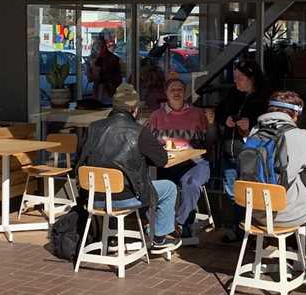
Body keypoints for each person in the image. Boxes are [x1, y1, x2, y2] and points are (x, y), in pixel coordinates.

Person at [248, 91, 306, 295]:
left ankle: (289, 257)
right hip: (284, 212)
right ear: (295, 114)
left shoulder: (255, 131)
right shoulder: (301, 136)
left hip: (254, 212)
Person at [76, 83, 182, 254]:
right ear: (134, 109)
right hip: (126, 197)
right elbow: (162, 160)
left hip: (93, 196)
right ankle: (159, 238)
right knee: (169, 188)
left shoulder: (93, 128)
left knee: (115, 184)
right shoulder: (139, 131)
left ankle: (112, 237)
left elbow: (80, 161)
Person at [147, 74, 214, 237]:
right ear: (166, 93)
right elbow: (147, 140)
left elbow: (211, 142)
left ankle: (179, 223)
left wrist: (211, 124)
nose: (176, 93)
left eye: (180, 90)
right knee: (149, 185)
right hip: (167, 164)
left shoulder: (197, 114)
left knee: (191, 184)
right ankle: (158, 225)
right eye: (172, 90)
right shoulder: (157, 115)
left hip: (194, 163)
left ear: (185, 93)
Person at [216, 58, 269, 241]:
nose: (236, 81)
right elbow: (219, 113)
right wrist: (226, 120)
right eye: (235, 77)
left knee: (251, 192)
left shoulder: (263, 100)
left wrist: (251, 124)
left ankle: (253, 230)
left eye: (240, 78)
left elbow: (268, 128)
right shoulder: (232, 95)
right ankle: (238, 229)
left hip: (250, 156)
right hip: (230, 151)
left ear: (251, 78)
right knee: (232, 193)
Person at [87, 29, 123, 105]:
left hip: (109, 92)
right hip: (101, 93)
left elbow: (116, 78)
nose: (98, 48)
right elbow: (90, 78)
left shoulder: (112, 59)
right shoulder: (96, 60)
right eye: (96, 45)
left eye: (100, 45)